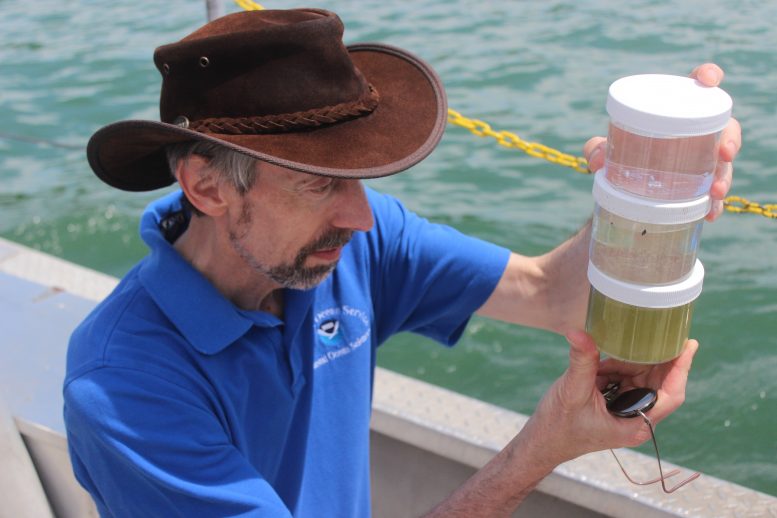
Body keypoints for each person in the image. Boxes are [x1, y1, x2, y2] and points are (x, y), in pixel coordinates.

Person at [63, 8, 741, 518]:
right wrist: (538, 451)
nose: (361, 215)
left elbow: (545, 292)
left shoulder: (351, 241)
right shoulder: (123, 389)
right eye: (318, 181)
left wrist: (641, 192)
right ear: (206, 186)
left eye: (358, 175)